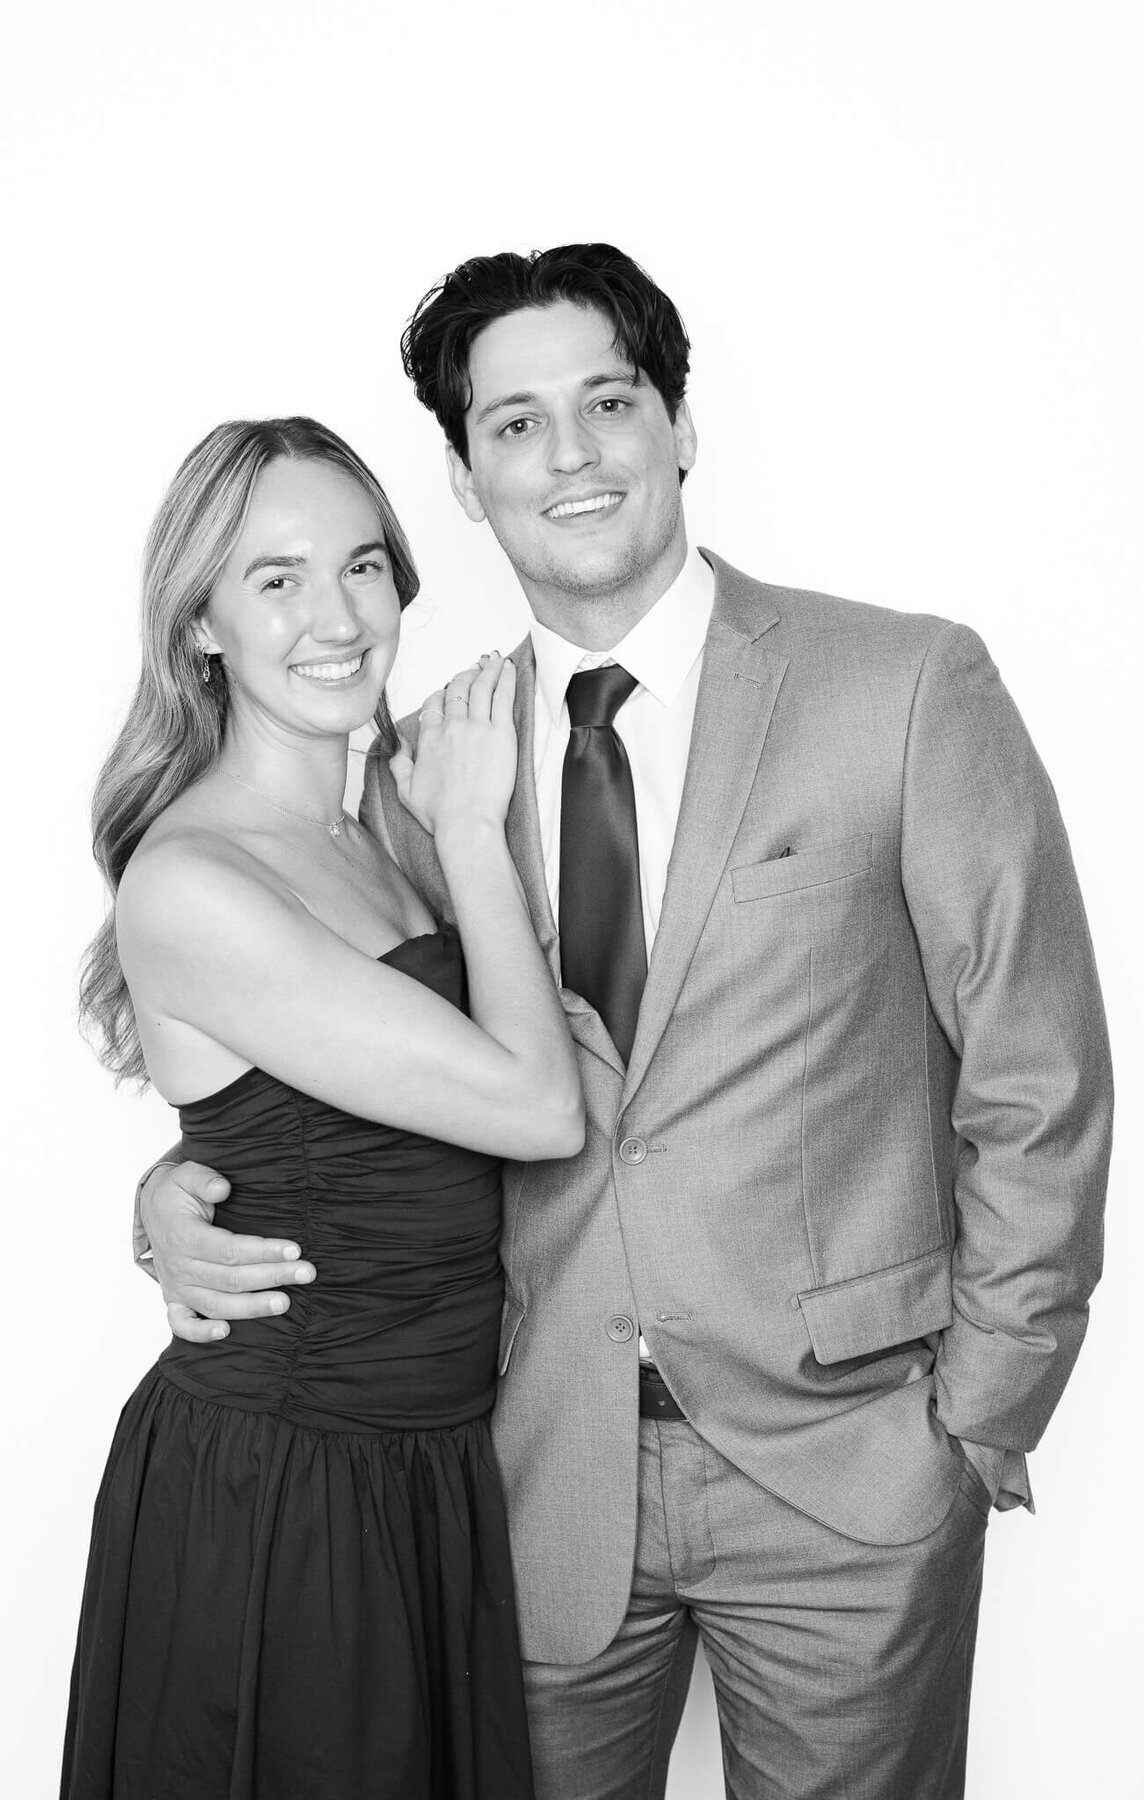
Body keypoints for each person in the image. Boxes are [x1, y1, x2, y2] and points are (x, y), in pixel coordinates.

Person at [139, 250, 1113, 1799]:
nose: (570, 454)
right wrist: (180, 1192)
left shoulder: (905, 685)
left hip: (851, 1481)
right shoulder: (421, 769)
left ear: (679, 429)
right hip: (529, 1478)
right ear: (463, 480)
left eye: (609, 402)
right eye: (515, 424)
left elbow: (1038, 1068)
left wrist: (980, 1417)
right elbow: (321, 1058)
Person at [64, 415, 583, 1800]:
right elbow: (536, 1106)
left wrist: (165, 1187)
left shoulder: (381, 822)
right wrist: (476, 830)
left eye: (363, 567)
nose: (339, 616)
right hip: (292, 1495)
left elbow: (314, 1128)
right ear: (202, 629)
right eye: (277, 579)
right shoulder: (198, 880)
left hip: (431, 1471)